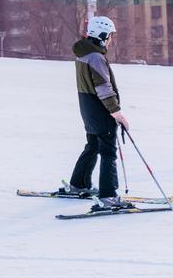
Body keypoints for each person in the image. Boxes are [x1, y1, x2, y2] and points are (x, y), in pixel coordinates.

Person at [66, 16, 132, 211]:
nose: (111, 40)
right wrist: (116, 112)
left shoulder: (84, 53)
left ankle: (79, 183)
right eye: (110, 36)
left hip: (89, 110)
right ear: (102, 36)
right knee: (108, 152)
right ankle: (109, 196)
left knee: (93, 146)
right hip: (100, 110)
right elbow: (103, 87)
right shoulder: (95, 57)